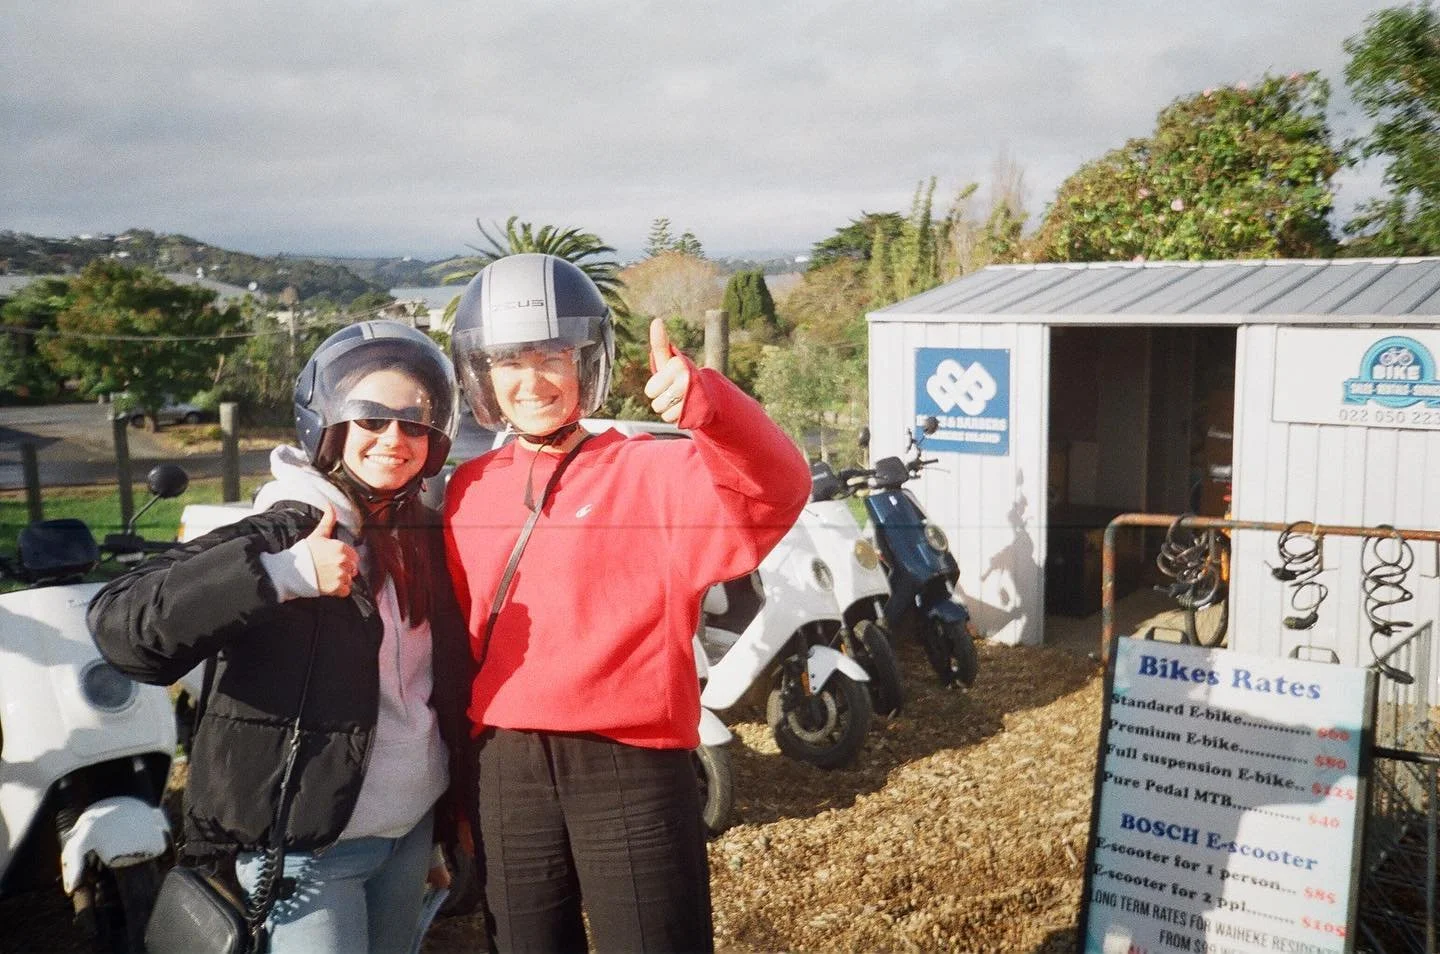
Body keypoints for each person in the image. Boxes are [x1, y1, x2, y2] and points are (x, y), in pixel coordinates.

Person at [444, 252, 810, 953]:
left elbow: (779, 489)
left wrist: (713, 408)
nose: (531, 379)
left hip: (631, 763)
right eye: (507, 360)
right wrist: (457, 791)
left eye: (551, 353)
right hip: (505, 769)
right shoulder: (468, 488)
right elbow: (459, 646)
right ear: (481, 373)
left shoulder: (658, 471)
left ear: (586, 361)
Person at [89, 321, 479, 954]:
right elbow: (123, 626)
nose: (394, 439)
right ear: (328, 425)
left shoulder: (415, 530)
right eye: (370, 419)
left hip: (406, 833)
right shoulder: (290, 525)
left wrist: (437, 826)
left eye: (414, 423)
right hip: (306, 854)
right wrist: (281, 576)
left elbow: (420, 696)